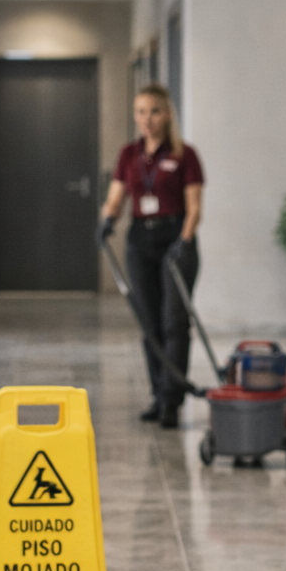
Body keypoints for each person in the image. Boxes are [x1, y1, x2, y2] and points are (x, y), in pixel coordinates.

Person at [98, 83, 204, 429]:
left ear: (168, 114)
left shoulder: (184, 155)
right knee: (150, 323)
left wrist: (184, 242)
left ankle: (172, 400)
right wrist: (108, 219)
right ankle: (158, 395)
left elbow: (194, 208)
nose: (147, 119)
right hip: (140, 242)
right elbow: (116, 196)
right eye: (141, 112)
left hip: (176, 240)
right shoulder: (129, 155)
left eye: (154, 111)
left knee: (174, 322)